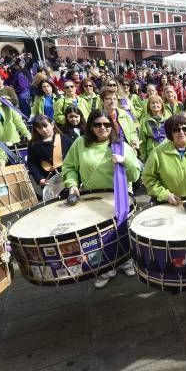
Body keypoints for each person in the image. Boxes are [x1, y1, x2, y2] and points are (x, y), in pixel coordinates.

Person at [61, 109, 141, 289]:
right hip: (92, 197)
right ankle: (106, 268)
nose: (102, 128)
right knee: (98, 234)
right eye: (97, 124)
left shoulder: (121, 145)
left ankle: (126, 261)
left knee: (121, 229)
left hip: (119, 196)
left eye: (106, 124)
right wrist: (72, 184)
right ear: (90, 126)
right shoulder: (80, 143)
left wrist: (124, 161)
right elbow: (69, 167)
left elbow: (135, 175)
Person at [27, 114, 74, 192]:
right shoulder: (33, 145)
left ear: (52, 124)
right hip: (49, 180)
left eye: (45, 126)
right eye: (39, 128)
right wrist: (40, 178)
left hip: (68, 177)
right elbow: (32, 163)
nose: (43, 130)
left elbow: (74, 157)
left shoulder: (65, 139)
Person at [99, 88, 140, 154]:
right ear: (102, 101)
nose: (112, 101)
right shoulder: (98, 117)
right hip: (107, 154)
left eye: (115, 99)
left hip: (128, 151)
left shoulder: (124, 114)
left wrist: (134, 140)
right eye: (108, 99)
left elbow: (133, 132)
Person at [139, 95, 171, 161]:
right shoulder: (145, 120)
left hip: (167, 150)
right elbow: (142, 140)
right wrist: (144, 156)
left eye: (157, 103)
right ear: (149, 106)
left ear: (161, 105)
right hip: (152, 152)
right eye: (152, 103)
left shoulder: (168, 118)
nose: (155, 105)